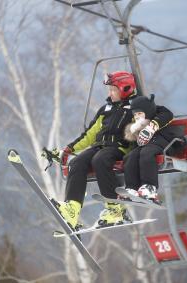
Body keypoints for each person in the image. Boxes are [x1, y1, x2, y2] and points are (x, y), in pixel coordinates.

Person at [52, 71, 137, 229]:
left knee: (100, 160)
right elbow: (90, 134)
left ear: (126, 89)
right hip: (100, 146)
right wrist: (70, 148)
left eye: (113, 90)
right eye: (109, 90)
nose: (110, 93)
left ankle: (115, 208)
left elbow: (144, 126)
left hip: (120, 147)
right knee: (77, 162)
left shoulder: (135, 107)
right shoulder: (106, 109)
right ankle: (72, 208)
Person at [122, 94, 187, 204]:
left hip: (164, 144)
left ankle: (149, 187)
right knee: (130, 156)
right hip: (147, 147)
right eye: (135, 114)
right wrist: (134, 129)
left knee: (146, 153)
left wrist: (151, 127)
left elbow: (167, 114)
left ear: (147, 111)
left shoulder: (159, 115)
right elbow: (131, 138)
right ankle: (131, 188)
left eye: (140, 113)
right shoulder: (138, 125)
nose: (137, 117)